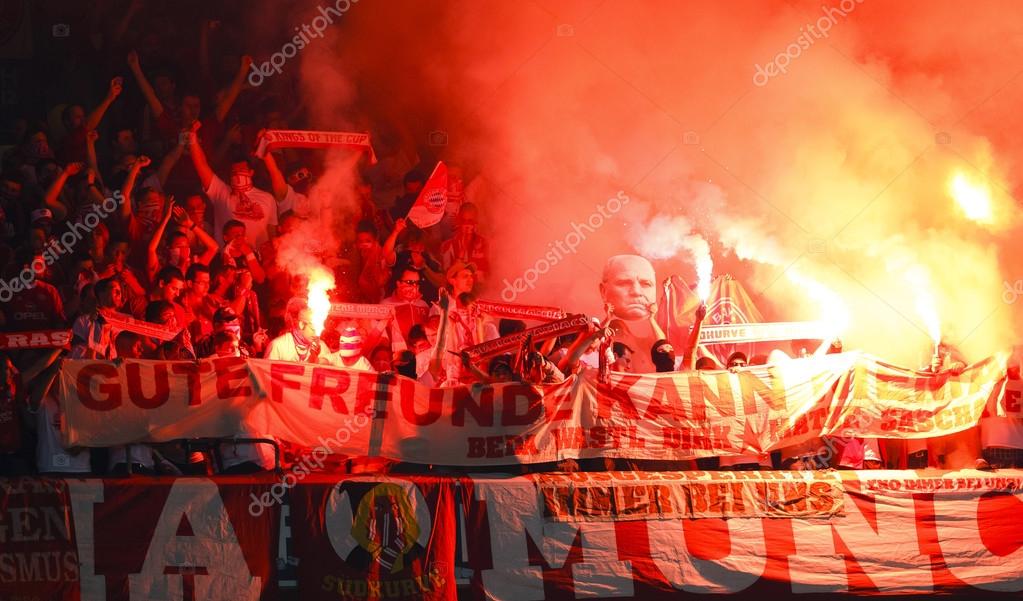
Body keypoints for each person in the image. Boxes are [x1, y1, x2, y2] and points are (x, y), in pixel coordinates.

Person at [187, 122, 278, 247]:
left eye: (242, 171)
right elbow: (202, 165)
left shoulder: (268, 198)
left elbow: (272, 234)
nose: (238, 175)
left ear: (251, 172)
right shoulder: (221, 192)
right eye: (234, 172)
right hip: (226, 259)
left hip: (256, 259)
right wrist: (192, 138)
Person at [598, 255, 659, 373]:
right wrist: (608, 320)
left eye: (646, 284)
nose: (636, 292)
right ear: (603, 291)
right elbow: (594, 343)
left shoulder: (646, 344)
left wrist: (652, 319)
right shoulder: (599, 345)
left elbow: (664, 349)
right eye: (624, 283)